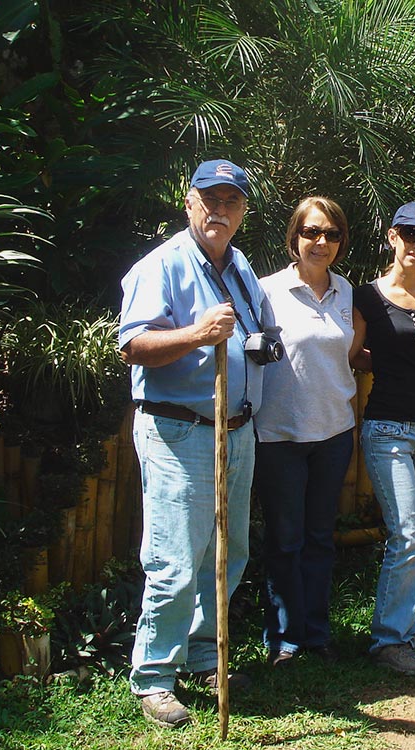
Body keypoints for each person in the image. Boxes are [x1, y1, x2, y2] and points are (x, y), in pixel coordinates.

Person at [119, 158, 269, 728]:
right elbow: (133, 346)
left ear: (243, 212)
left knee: (227, 553)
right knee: (177, 559)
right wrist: (197, 334)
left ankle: (209, 656)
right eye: (211, 199)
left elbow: (256, 330)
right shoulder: (159, 266)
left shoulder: (240, 266)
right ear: (189, 202)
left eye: (231, 202)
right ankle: (155, 677)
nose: (220, 210)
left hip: (237, 428)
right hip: (180, 429)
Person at [349, 201, 415, 676]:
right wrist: (383, 363)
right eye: (409, 234)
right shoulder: (365, 298)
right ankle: (389, 641)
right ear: (392, 236)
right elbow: (353, 355)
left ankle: (405, 624)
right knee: (407, 532)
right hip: (387, 427)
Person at [254, 197, 356, 667]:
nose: (321, 242)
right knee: (285, 539)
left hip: (334, 431)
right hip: (279, 435)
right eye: (312, 232)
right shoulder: (264, 291)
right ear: (294, 237)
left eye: (331, 234)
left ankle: (316, 632)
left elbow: (347, 354)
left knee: (319, 537)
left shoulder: (346, 291)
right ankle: (283, 639)